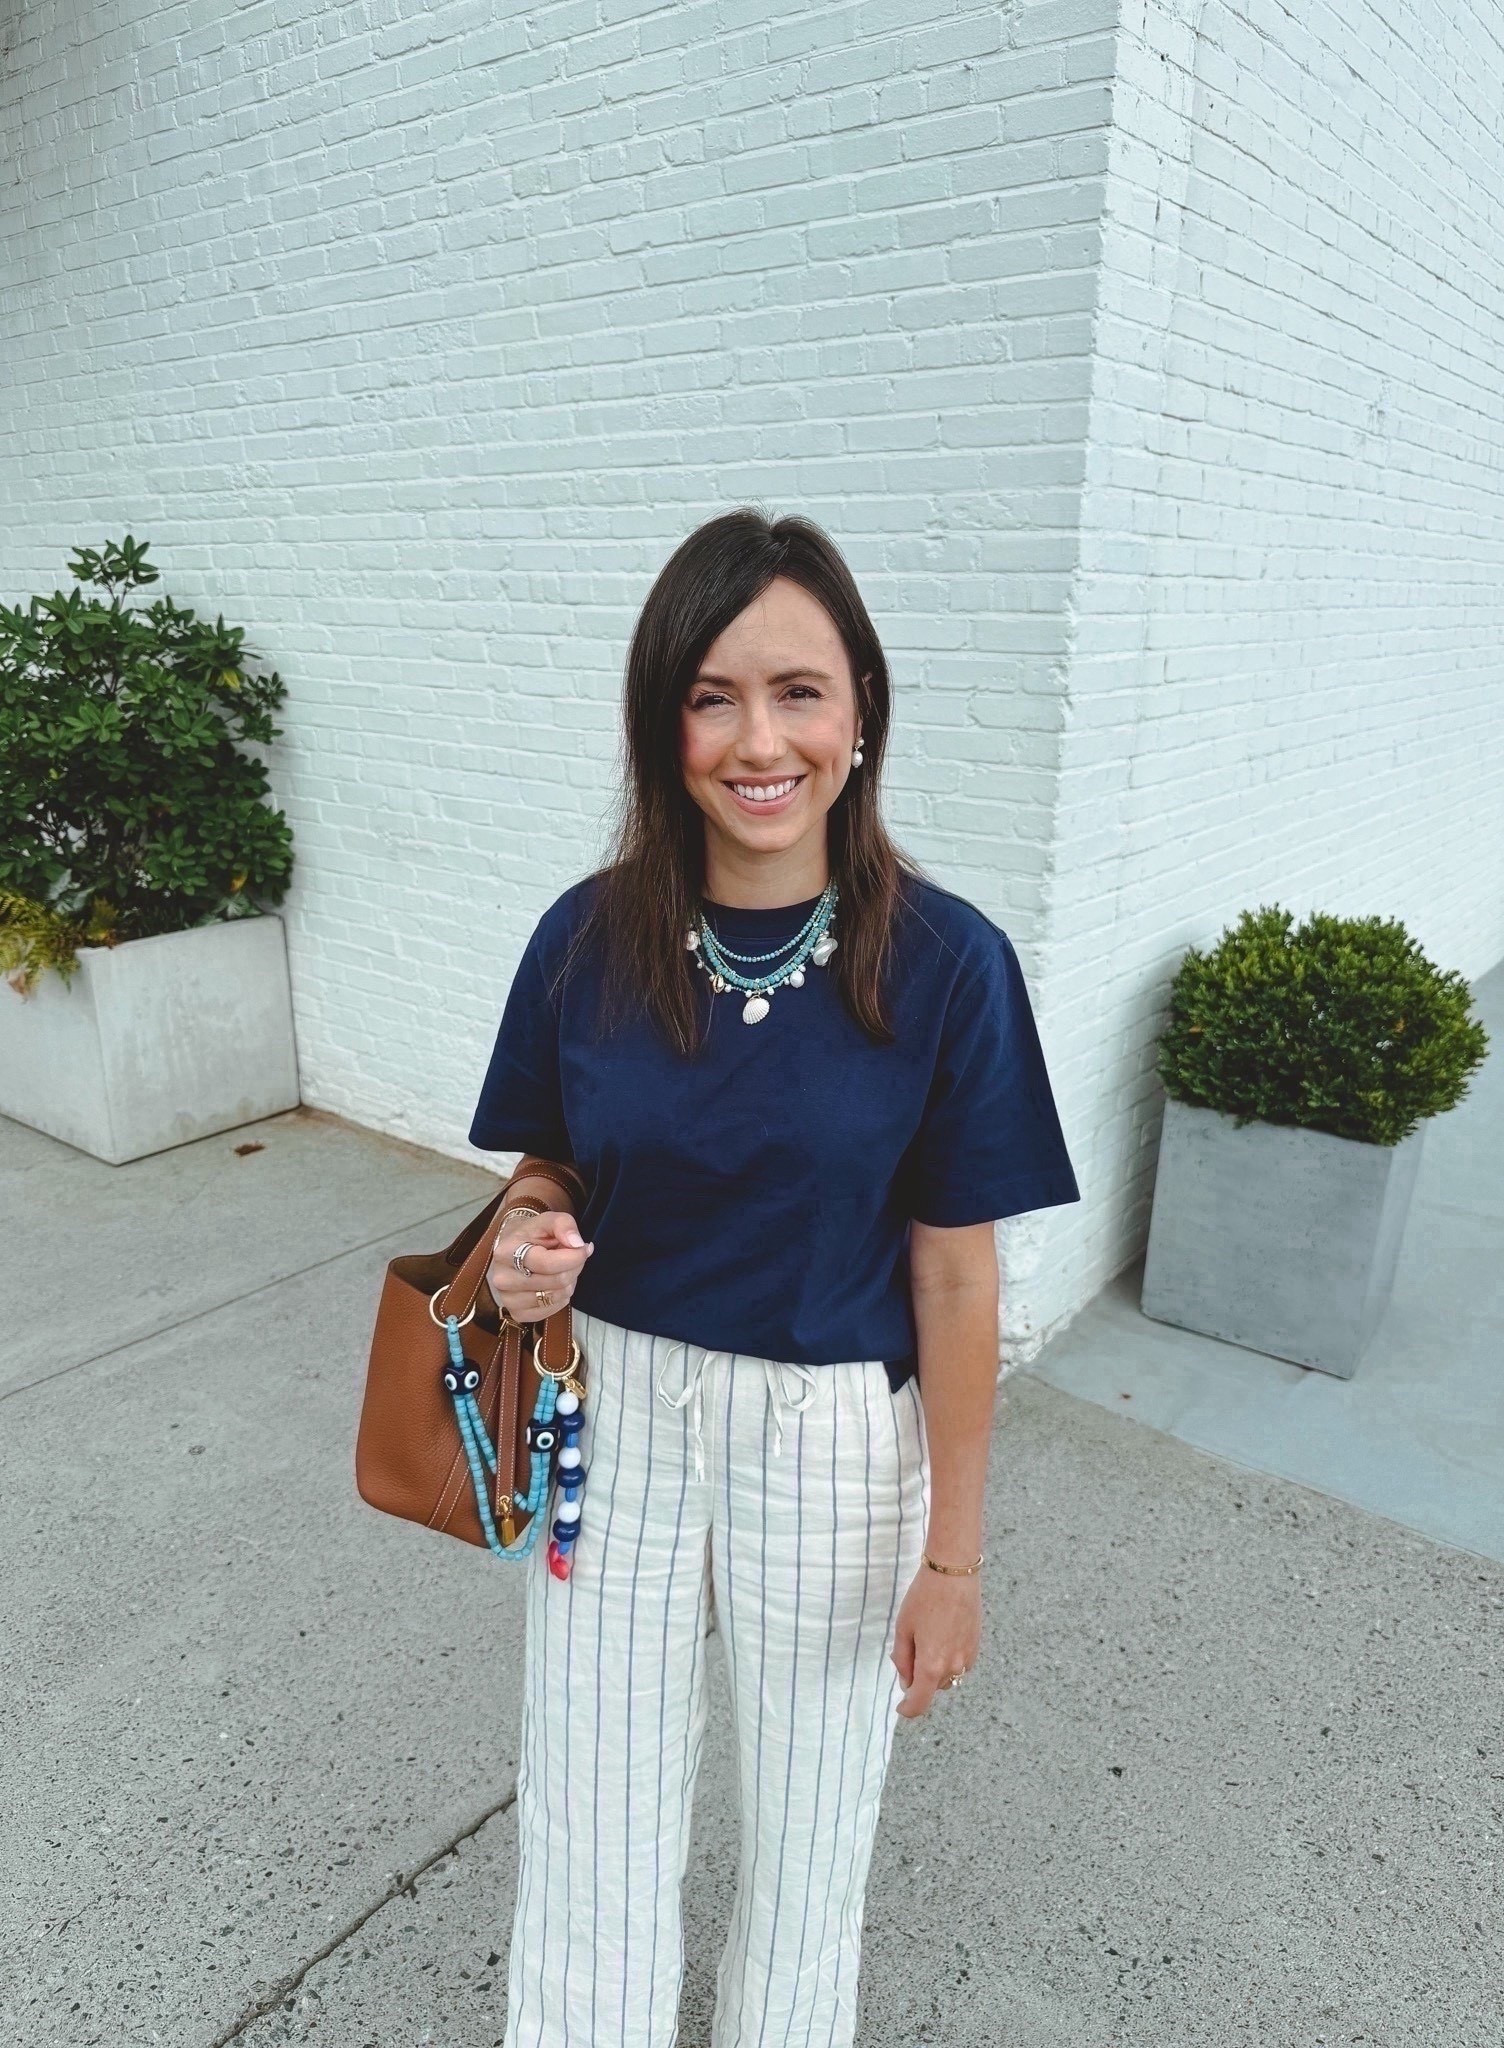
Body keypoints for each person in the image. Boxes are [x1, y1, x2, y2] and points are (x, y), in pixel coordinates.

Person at [468, 509, 1080, 2048]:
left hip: (830, 1439)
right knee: (591, 1801)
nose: (759, 741)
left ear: (861, 711)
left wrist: (955, 1557)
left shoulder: (947, 963)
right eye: (712, 696)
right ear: (661, 722)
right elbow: (544, 1168)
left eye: (799, 691)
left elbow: (958, 1285)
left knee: (813, 1828)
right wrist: (528, 1242)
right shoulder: (586, 939)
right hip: (614, 1415)